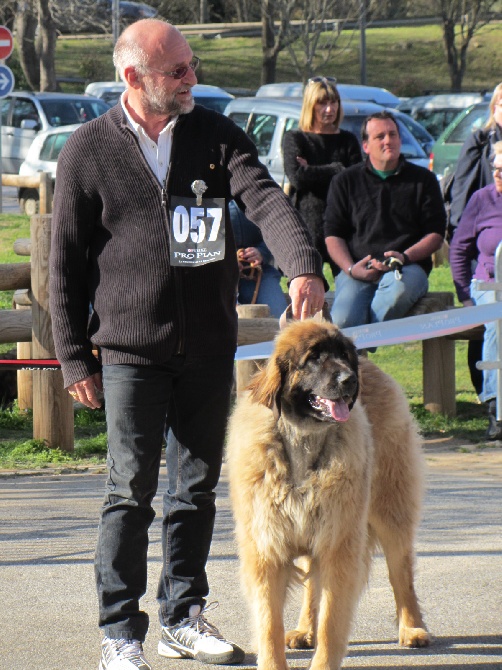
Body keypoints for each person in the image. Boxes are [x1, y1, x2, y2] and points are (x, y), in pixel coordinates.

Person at [49, 19, 326, 670]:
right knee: (129, 491)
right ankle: (120, 634)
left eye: (191, 64)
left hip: (206, 348)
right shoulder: (87, 150)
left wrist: (303, 265)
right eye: (176, 72)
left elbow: (263, 196)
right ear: (133, 79)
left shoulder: (214, 135)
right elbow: (63, 263)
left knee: (195, 490)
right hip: (128, 351)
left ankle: (183, 615)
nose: (191, 78)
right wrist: (71, 356)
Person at [324, 110, 446, 328]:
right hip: (358, 268)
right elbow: (333, 235)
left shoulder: (424, 180)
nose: (388, 141)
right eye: (380, 136)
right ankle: (355, 355)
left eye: (393, 134)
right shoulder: (344, 182)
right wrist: (351, 268)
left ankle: (363, 342)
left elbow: (436, 233)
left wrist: (405, 257)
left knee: (396, 295)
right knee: (342, 320)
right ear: (366, 146)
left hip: (407, 267)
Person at [448, 82, 502, 396]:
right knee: (488, 321)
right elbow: (461, 196)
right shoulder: (480, 141)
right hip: (481, 246)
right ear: (493, 109)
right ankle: (490, 394)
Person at [282, 76, 362, 280]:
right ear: (310, 105)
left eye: (333, 102)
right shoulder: (296, 138)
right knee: (308, 290)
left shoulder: (348, 140)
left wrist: (313, 170)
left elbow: (355, 180)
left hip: (343, 224)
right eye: (322, 103)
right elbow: (298, 177)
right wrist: (336, 168)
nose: (329, 109)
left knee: (350, 285)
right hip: (308, 226)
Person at [449, 140, 502, 441]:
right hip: (488, 283)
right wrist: (465, 296)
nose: (498, 175)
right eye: (495, 169)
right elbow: (459, 248)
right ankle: (496, 407)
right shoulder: (482, 200)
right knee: (497, 321)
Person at [228, 200, 288, 318]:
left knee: (277, 315)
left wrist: (261, 252)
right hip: (216, 273)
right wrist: (226, 259)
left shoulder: (258, 192)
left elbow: (277, 232)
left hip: (259, 272)